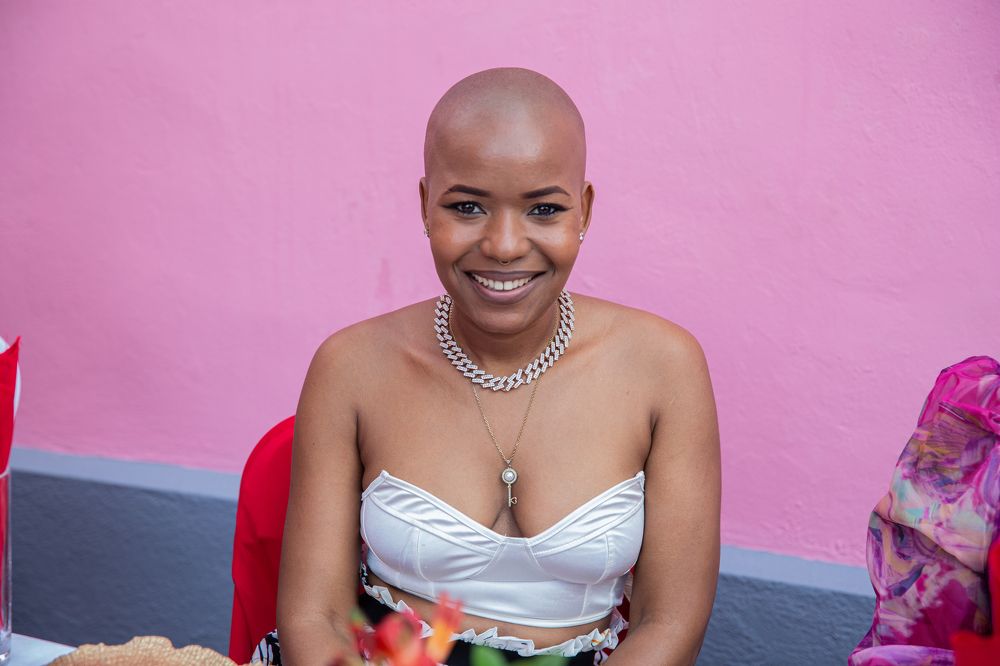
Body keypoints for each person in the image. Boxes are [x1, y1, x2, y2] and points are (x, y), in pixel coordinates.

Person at [269, 67, 721, 665]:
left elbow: (669, 624)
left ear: (582, 211)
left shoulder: (665, 367)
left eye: (543, 209)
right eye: (467, 206)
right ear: (426, 206)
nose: (505, 245)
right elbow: (315, 618)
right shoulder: (351, 367)